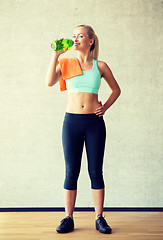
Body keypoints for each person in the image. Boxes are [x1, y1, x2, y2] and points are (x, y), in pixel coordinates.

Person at [45, 24, 121, 234]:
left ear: (91, 40)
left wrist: (105, 106)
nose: (75, 39)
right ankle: (68, 218)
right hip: (72, 123)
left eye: (80, 36)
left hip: (94, 124)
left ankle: (99, 218)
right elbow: (49, 81)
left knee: (95, 171)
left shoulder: (101, 66)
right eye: (73, 36)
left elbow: (116, 89)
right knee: (71, 171)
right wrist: (55, 55)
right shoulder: (65, 62)